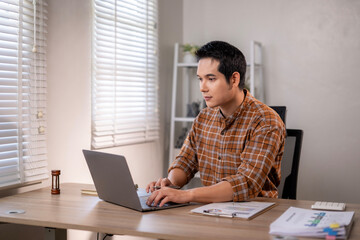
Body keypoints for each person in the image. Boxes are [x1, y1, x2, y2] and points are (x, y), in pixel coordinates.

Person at [146, 41, 286, 207]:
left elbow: (246, 183)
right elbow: (185, 161)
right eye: (200, 79)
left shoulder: (266, 121)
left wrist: (186, 194)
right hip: (211, 210)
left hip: (254, 213)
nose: (202, 88)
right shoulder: (203, 117)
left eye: (211, 79)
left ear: (234, 79)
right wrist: (170, 183)